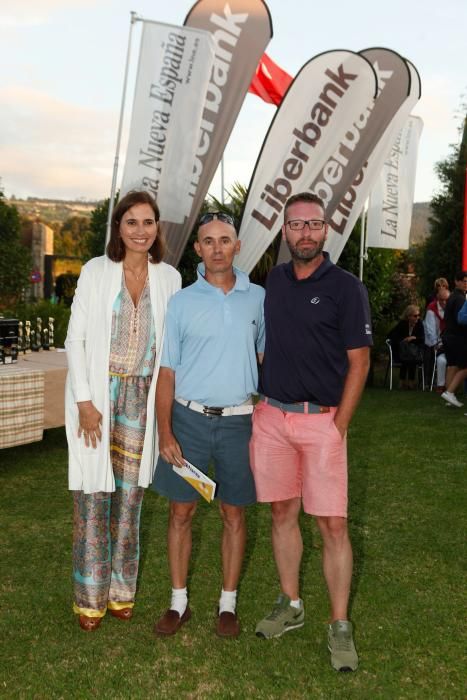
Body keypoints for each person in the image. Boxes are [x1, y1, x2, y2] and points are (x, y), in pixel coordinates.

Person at [250, 192, 372, 672]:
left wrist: (339, 423)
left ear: (326, 231)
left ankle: (339, 625)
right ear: (285, 232)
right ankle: (291, 604)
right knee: (282, 512)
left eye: (314, 225)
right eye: (296, 225)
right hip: (273, 419)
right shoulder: (273, 283)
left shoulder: (345, 287)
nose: (305, 233)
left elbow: (359, 363)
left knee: (332, 524)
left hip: (323, 420)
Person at [65, 190, 181, 631]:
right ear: (118, 227)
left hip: (143, 397)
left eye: (148, 222)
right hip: (97, 394)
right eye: (131, 222)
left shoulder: (169, 277)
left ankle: (121, 593)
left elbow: (173, 344)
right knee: (94, 495)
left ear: (157, 228)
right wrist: (84, 402)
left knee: (131, 497)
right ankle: (89, 598)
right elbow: (75, 339)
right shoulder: (97, 271)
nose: (140, 231)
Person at [152, 211, 265, 639]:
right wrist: (166, 431)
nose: (217, 247)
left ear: (237, 246)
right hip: (189, 420)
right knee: (181, 511)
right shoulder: (181, 303)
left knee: (233, 512)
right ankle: (178, 602)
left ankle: (227, 605)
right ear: (197, 249)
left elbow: (263, 354)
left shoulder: (258, 298)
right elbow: (167, 372)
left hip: (240, 424)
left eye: (225, 239)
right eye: (208, 241)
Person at [440, 271, 467, 407]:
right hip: (457, 337)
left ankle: (449, 396)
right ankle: (450, 394)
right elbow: (461, 320)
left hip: (448, 335)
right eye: (463, 281)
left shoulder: (452, 297)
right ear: (456, 281)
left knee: (452, 366)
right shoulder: (460, 298)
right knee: (461, 366)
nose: (465, 283)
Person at [388, 305, 425, 389]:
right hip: (401, 352)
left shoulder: (419, 324)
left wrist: (412, 338)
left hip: (415, 352)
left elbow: (422, 339)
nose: (417, 318)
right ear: (408, 316)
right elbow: (391, 335)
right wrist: (404, 340)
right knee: (407, 356)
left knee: (410, 357)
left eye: (419, 315)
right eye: (415, 316)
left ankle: (406, 381)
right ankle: (406, 382)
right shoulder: (402, 324)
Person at [424, 287, 449, 392]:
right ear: (437, 298)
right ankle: (439, 385)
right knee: (441, 360)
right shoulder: (431, 309)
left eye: (446, 300)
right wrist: (437, 344)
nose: (444, 302)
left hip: (448, 341)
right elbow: (430, 330)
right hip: (435, 342)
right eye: (441, 300)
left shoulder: (451, 308)